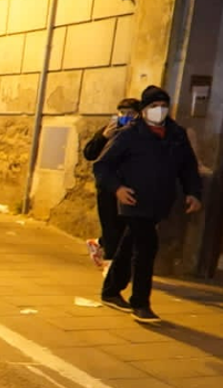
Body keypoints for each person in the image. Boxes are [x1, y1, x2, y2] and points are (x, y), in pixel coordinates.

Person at [93, 85, 203, 323]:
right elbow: (102, 165)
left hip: (159, 200)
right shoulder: (129, 134)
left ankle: (111, 290)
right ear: (144, 109)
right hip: (133, 199)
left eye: (163, 106)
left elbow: (188, 166)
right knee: (146, 247)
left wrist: (193, 192)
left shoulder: (176, 135)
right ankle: (140, 303)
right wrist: (118, 188)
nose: (159, 110)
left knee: (130, 243)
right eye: (154, 106)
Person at [82, 98, 141, 269]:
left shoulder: (140, 134)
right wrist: (103, 137)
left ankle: (100, 244)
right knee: (111, 228)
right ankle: (111, 268)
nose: (126, 117)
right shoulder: (109, 129)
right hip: (108, 188)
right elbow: (90, 153)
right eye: (122, 113)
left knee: (125, 229)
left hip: (131, 188)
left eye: (130, 113)